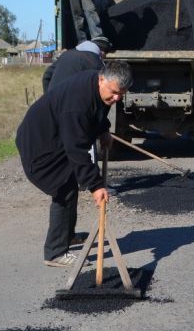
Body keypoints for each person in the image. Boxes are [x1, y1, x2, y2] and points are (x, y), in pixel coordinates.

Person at [17, 60, 132, 267]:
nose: (116, 98)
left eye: (121, 94)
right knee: (64, 189)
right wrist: (96, 185)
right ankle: (55, 253)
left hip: (56, 136)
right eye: (114, 92)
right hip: (39, 145)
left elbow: (96, 113)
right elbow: (77, 148)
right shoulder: (77, 104)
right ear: (101, 79)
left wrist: (103, 130)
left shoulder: (97, 89)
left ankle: (67, 236)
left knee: (70, 183)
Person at [42, 37, 111, 93]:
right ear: (102, 52)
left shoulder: (66, 54)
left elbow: (46, 77)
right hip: (72, 107)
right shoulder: (96, 62)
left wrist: (48, 97)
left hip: (52, 104)